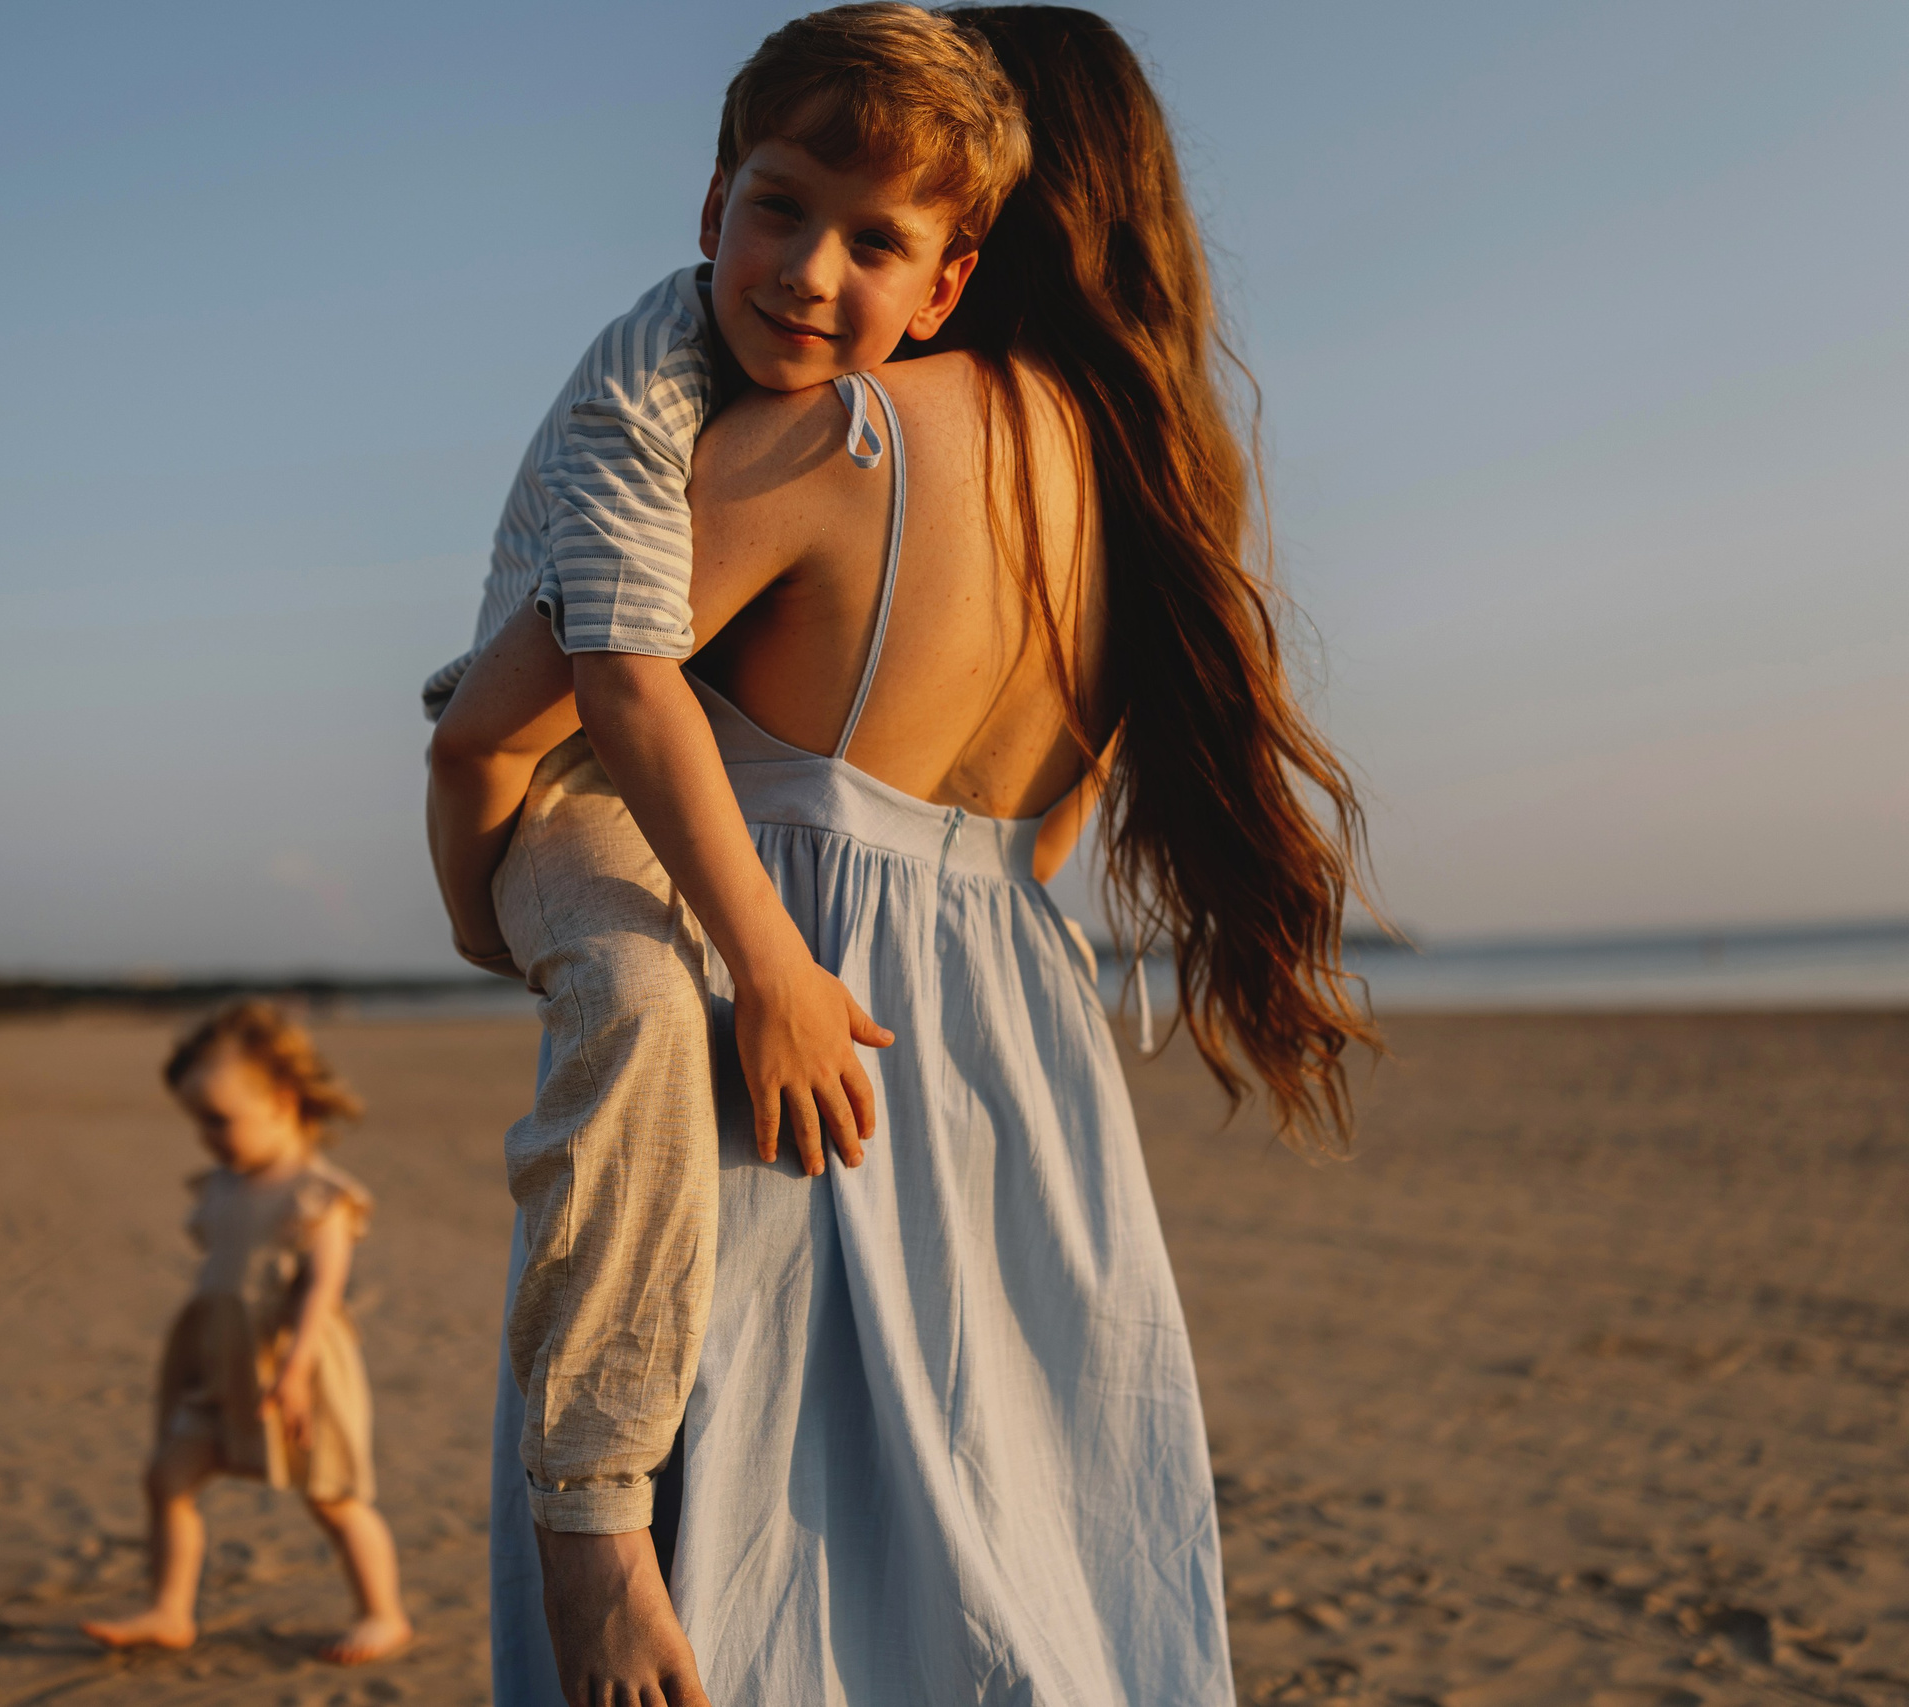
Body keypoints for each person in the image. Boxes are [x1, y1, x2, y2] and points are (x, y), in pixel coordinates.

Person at [442, 7, 1382, 1702]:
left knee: (747, 1593)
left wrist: (509, 902)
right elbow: (1044, 837)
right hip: (1013, 1071)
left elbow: (506, 720)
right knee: (1026, 1589)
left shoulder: (841, 437)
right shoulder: (1151, 502)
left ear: (983, 224)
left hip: (779, 1046)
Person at [424, 7, 1026, 1700]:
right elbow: (607, 686)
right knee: (637, 1005)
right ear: (708, 212)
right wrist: (769, 960)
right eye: (779, 209)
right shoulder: (644, 397)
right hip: (573, 770)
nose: (809, 273)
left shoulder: (860, 411)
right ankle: (594, 1518)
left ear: (944, 288)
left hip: (656, 747)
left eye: (873, 242)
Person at [81, 1001, 412, 1666]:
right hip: (222, 1362)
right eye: (197, 1119)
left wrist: (291, 1371)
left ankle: (383, 1613)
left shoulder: (320, 1195)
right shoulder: (224, 1184)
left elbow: (321, 1290)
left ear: (283, 1098)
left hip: (300, 1366)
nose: (206, 1135)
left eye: (219, 1118)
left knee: (333, 1498)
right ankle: (170, 1609)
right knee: (168, 1475)